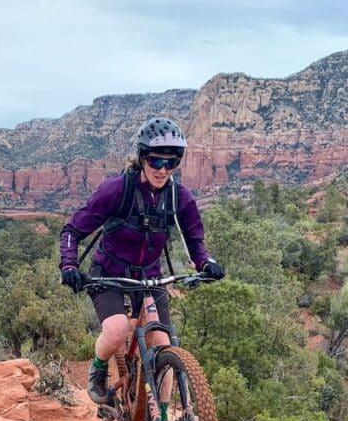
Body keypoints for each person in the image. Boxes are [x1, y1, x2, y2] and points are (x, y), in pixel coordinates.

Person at [59, 116, 225, 404]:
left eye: (171, 163)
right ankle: (98, 370)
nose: (163, 170)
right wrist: (69, 265)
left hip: (148, 277)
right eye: (156, 162)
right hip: (108, 273)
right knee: (116, 329)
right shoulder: (117, 190)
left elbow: (194, 239)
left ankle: (162, 419)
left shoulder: (179, 197)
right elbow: (73, 230)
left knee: (164, 343)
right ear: (142, 158)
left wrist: (204, 263)